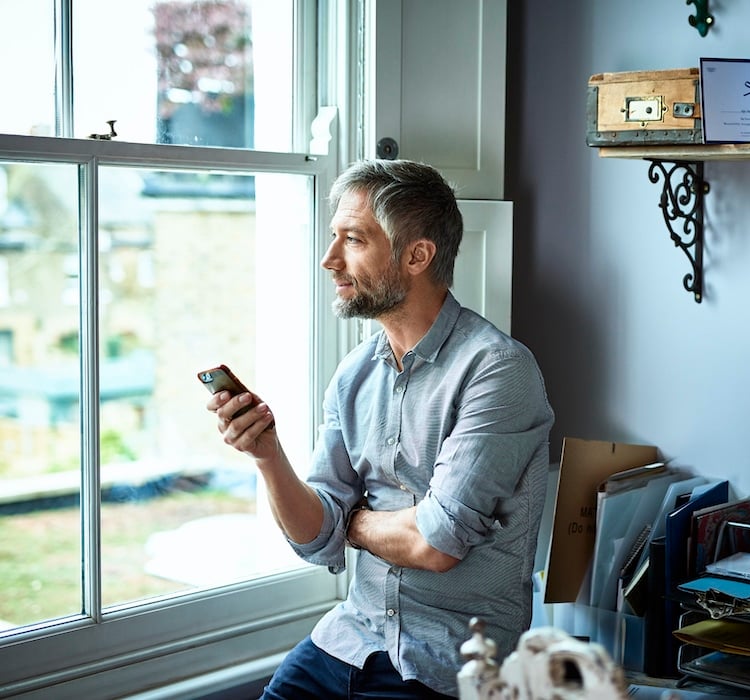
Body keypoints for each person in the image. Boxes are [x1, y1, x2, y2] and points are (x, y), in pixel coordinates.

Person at [207, 159, 554, 698]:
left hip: (448, 661)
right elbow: (317, 541)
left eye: (354, 240)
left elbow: (437, 543)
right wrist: (268, 456)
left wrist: (352, 522)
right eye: (334, 238)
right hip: (348, 639)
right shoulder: (355, 373)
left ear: (417, 255)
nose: (330, 259)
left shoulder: (498, 370)